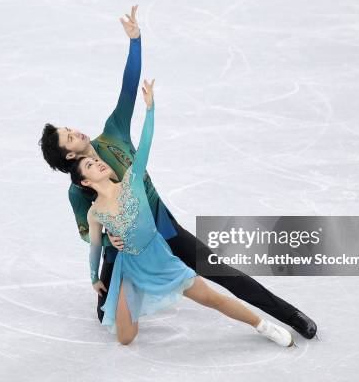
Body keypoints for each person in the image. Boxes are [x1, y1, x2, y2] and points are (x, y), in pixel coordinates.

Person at [39, 4, 317, 339]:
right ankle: (137, 285)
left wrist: (135, 41)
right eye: (71, 136)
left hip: (161, 222)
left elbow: (128, 89)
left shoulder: (113, 132)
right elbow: (87, 231)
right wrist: (107, 241)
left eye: (71, 127)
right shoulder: (78, 187)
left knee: (219, 270)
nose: (78, 132)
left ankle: (290, 315)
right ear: (69, 154)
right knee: (104, 316)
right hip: (125, 248)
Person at [70, 79, 295, 346]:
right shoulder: (95, 213)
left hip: (159, 258)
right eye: (91, 165)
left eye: (96, 159)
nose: (98, 162)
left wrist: (150, 109)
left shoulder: (131, 180)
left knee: (213, 299)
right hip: (129, 268)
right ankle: (137, 298)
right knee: (125, 338)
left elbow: (145, 142)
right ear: (85, 181)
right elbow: (95, 246)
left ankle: (263, 326)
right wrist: (95, 278)